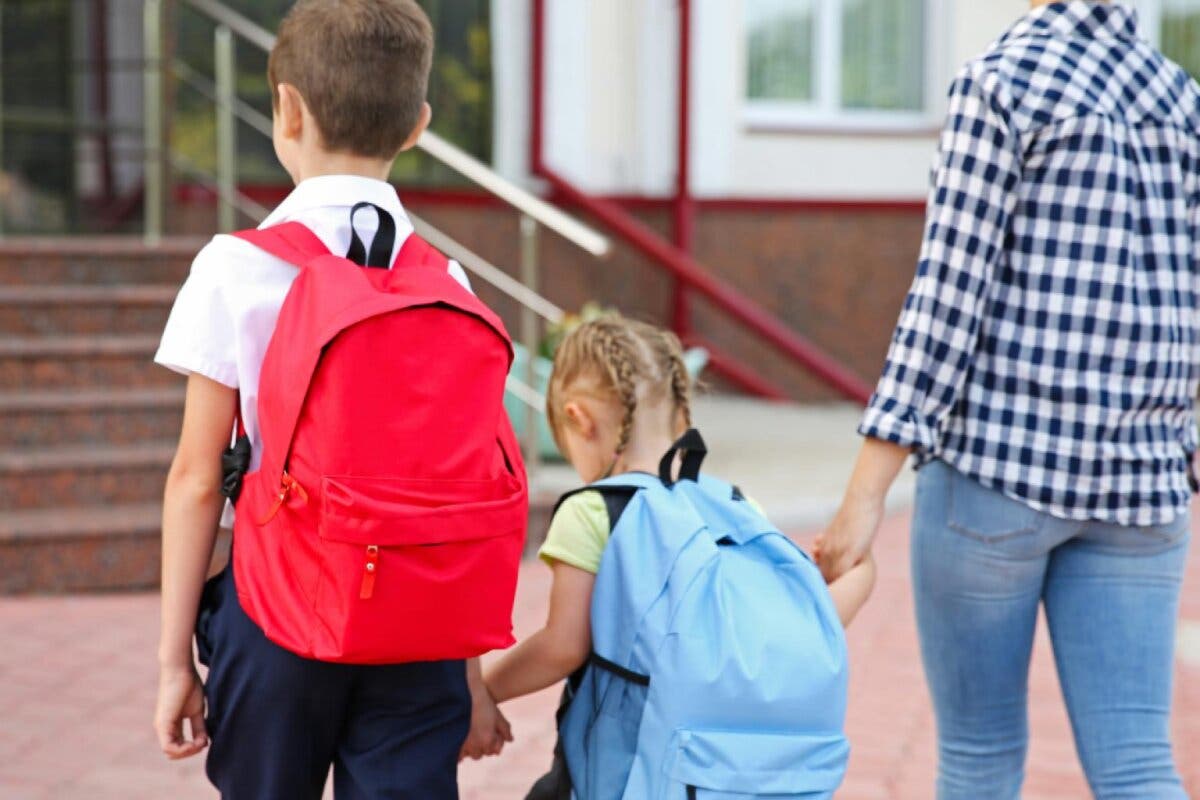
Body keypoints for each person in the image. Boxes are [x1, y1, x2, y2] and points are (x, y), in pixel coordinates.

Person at [817, 1, 1197, 797]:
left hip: (998, 476)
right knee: (1138, 762)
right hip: (1143, 489)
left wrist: (865, 495)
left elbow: (948, 294)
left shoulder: (1000, 82)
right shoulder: (1180, 100)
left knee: (979, 757)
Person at [151, 2, 509, 797]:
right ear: (418, 125)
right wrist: (470, 669)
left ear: (286, 107)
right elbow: (463, 486)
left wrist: (177, 662)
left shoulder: (234, 268)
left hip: (277, 614)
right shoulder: (447, 282)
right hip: (418, 625)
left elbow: (196, 479)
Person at [475, 316, 876, 799]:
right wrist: (862, 568)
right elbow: (815, 618)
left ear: (578, 419)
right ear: (680, 413)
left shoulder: (595, 509)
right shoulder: (736, 507)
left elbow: (563, 646)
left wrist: (483, 692)